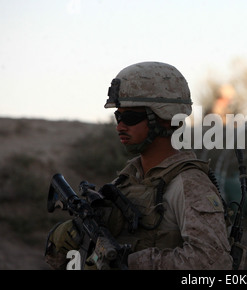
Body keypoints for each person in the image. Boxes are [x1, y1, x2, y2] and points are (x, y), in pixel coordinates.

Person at [44, 61, 233, 270]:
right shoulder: (127, 181)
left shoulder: (188, 184)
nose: (120, 126)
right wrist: (65, 244)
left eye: (130, 117)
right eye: (118, 115)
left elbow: (213, 262)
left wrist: (130, 262)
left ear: (165, 118)